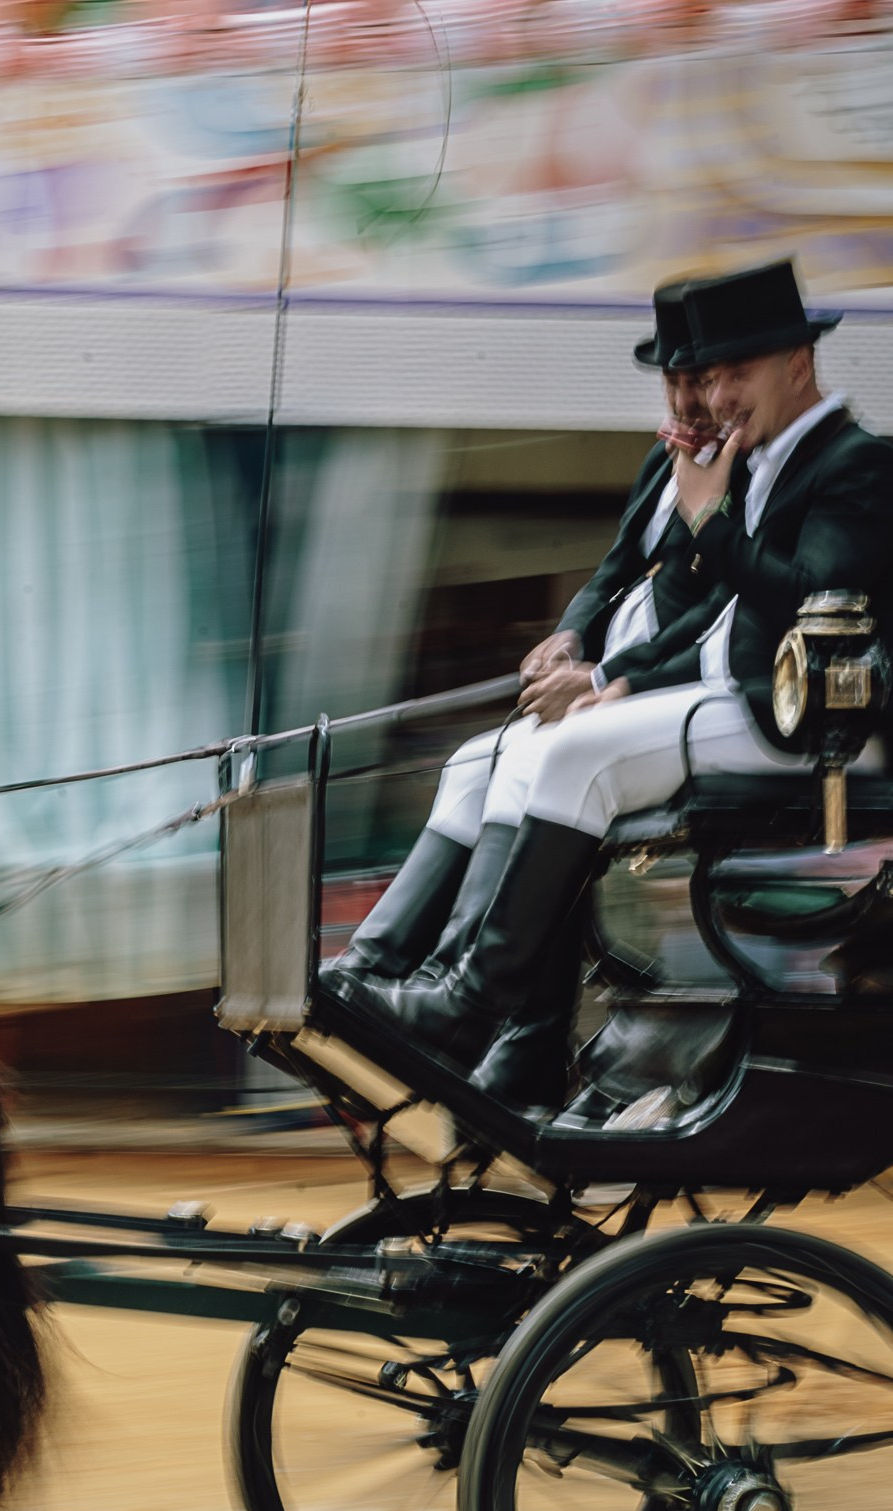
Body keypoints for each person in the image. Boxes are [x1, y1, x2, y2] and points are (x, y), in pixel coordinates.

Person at [338, 259, 893, 1101]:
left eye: (731, 373)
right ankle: (427, 986)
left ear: (798, 364)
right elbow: (682, 597)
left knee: (574, 753)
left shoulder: (858, 463)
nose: (715, 396)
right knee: (497, 756)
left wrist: (628, 669)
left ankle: (468, 1005)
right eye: (706, 376)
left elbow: (808, 600)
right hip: (719, 699)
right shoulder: (748, 460)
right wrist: (595, 655)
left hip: (803, 723)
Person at [327, 280, 730, 1097]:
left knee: (549, 756)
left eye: (702, 381)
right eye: (674, 381)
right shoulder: (669, 455)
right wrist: (569, 635)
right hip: (623, 684)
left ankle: (462, 999)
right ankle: (385, 966)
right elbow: (615, 569)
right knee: (478, 760)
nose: (687, 399)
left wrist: (606, 678)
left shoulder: (745, 477)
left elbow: (727, 621)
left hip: (674, 694)